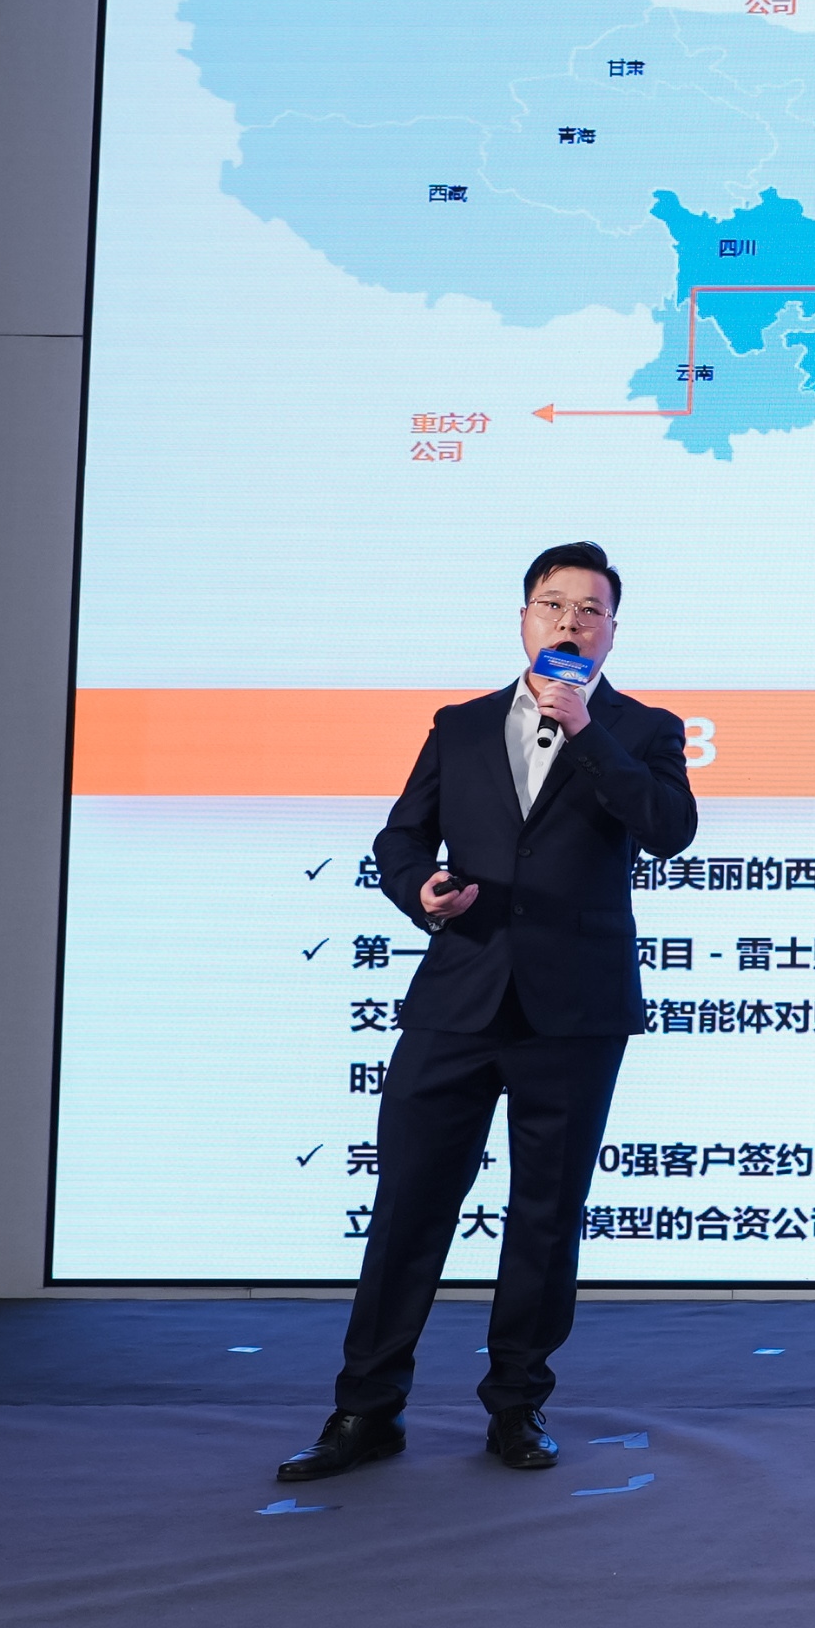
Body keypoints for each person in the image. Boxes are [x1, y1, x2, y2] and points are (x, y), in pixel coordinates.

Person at [280, 541, 698, 1481]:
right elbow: (399, 839)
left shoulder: (643, 728)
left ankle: (517, 1406)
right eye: (553, 605)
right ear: (523, 618)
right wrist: (419, 891)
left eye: (589, 611)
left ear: (613, 631)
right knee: (409, 1205)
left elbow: (669, 831)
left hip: (576, 1010)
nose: (570, 622)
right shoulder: (460, 726)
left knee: (546, 1214)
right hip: (458, 998)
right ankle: (366, 1410)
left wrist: (585, 731)